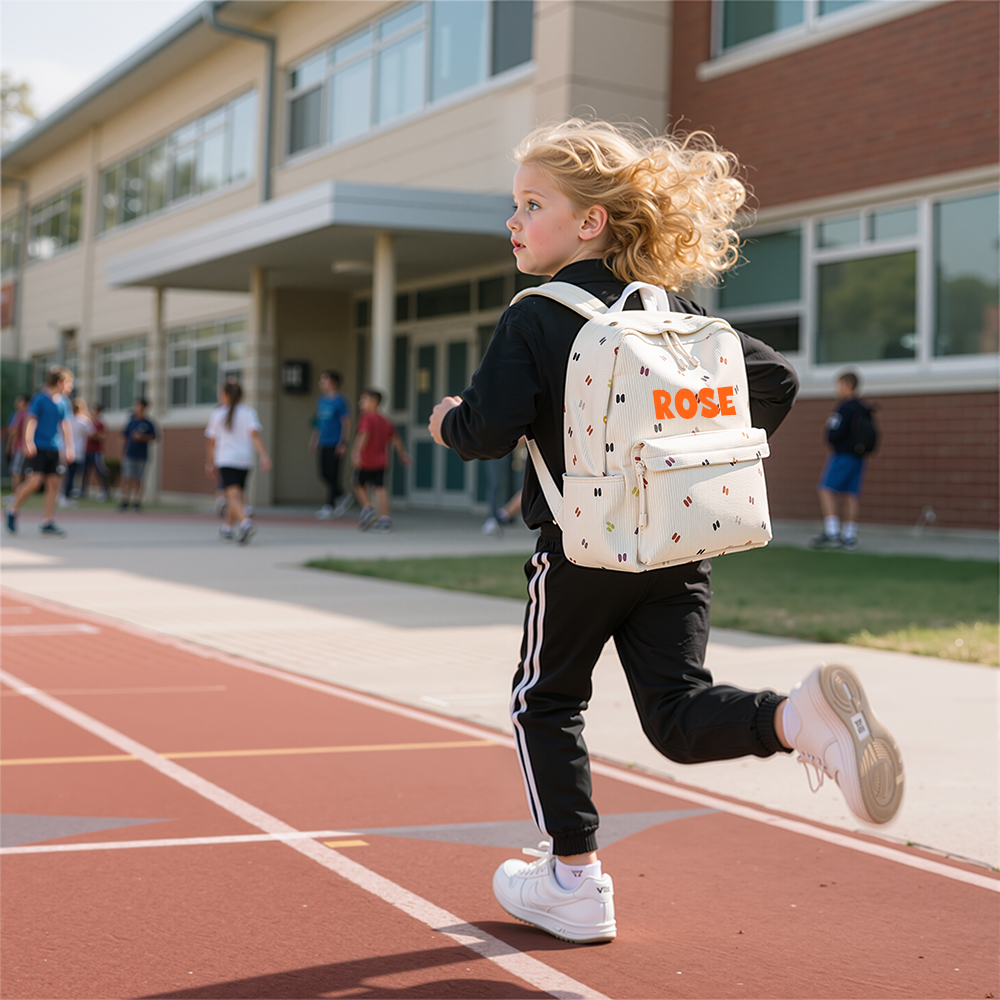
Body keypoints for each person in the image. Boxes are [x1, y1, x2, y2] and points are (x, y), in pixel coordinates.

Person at [429, 120, 904, 944]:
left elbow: (488, 430)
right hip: (678, 548)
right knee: (677, 715)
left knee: (543, 702)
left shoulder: (535, 315)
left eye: (531, 204)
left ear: (590, 223)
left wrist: (445, 422)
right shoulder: (672, 313)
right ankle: (797, 718)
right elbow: (776, 379)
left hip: (581, 552)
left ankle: (573, 879)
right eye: (514, 205)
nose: (514, 221)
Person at [5, 367, 75, 536]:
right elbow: (31, 420)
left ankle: (47, 522)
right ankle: (12, 509)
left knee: (53, 484)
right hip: (38, 447)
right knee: (35, 482)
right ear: (60, 383)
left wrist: (69, 447)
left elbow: (65, 425)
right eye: (69, 384)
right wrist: (28, 442)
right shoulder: (40, 399)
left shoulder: (64, 402)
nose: (71, 388)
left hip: (55, 448)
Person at [811, 371, 872, 552]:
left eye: (839, 385)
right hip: (859, 457)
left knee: (825, 490)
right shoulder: (863, 407)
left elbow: (834, 432)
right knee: (851, 494)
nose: (837, 389)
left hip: (842, 455)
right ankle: (849, 535)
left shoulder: (844, 407)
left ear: (847, 385)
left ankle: (832, 532)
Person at [205, 378, 271, 544]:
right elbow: (255, 436)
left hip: (226, 459)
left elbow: (212, 442)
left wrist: (210, 462)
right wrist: (264, 455)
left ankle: (245, 522)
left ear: (225, 394)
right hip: (245, 460)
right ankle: (227, 528)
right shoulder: (249, 413)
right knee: (237, 495)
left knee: (232, 496)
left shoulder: (217, 414)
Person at [351, 388, 409, 533]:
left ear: (374, 402)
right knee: (380, 488)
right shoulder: (385, 420)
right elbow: (395, 438)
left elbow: (363, 435)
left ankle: (368, 508)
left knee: (358, 483)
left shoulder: (366, 418)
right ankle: (385, 519)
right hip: (382, 461)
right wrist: (402, 454)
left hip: (366, 460)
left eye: (363, 400)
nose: (361, 403)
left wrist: (356, 452)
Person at [310, 370, 352, 519]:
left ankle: (329, 505)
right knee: (323, 473)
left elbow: (346, 423)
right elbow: (319, 422)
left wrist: (343, 443)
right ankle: (343, 495)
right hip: (323, 441)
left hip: (335, 442)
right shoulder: (321, 400)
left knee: (334, 474)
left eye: (324, 380)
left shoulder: (340, 401)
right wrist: (315, 439)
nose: (321, 384)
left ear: (332, 382)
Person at [119, 398, 157, 511]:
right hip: (130, 454)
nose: (137, 408)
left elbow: (154, 437)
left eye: (139, 406)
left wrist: (142, 437)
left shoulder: (148, 423)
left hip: (142, 455)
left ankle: (137, 501)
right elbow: (123, 437)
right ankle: (125, 500)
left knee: (139, 479)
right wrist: (122, 452)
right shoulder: (131, 422)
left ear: (144, 408)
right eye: (136, 406)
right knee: (127, 478)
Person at [59, 397, 94, 508]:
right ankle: (66, 496)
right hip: (77, 451)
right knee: (72, 475)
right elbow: (92, 433)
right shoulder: (83, 420)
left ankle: (61, 495)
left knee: (64, 474)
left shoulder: (66, 419)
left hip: (64, 450)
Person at [82, 403, 110, 502]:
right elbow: (85, 435)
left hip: (96, 452)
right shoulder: (88, 423)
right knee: (84, 472)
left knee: (100, 472)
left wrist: (95, 435)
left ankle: (105, 492)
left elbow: (102, 436)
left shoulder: (100, 424)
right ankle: (82, 491)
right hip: (86, 451)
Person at [4, 394, 29, 500]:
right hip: (26, 447)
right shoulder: (29, 414)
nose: (17, 402)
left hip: (20, 447)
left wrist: (10, 445)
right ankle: (20, 494)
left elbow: (14, 431)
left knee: (16, 471)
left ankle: (16, 495)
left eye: (19, 400)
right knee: (22, 472)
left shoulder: (22, 414)